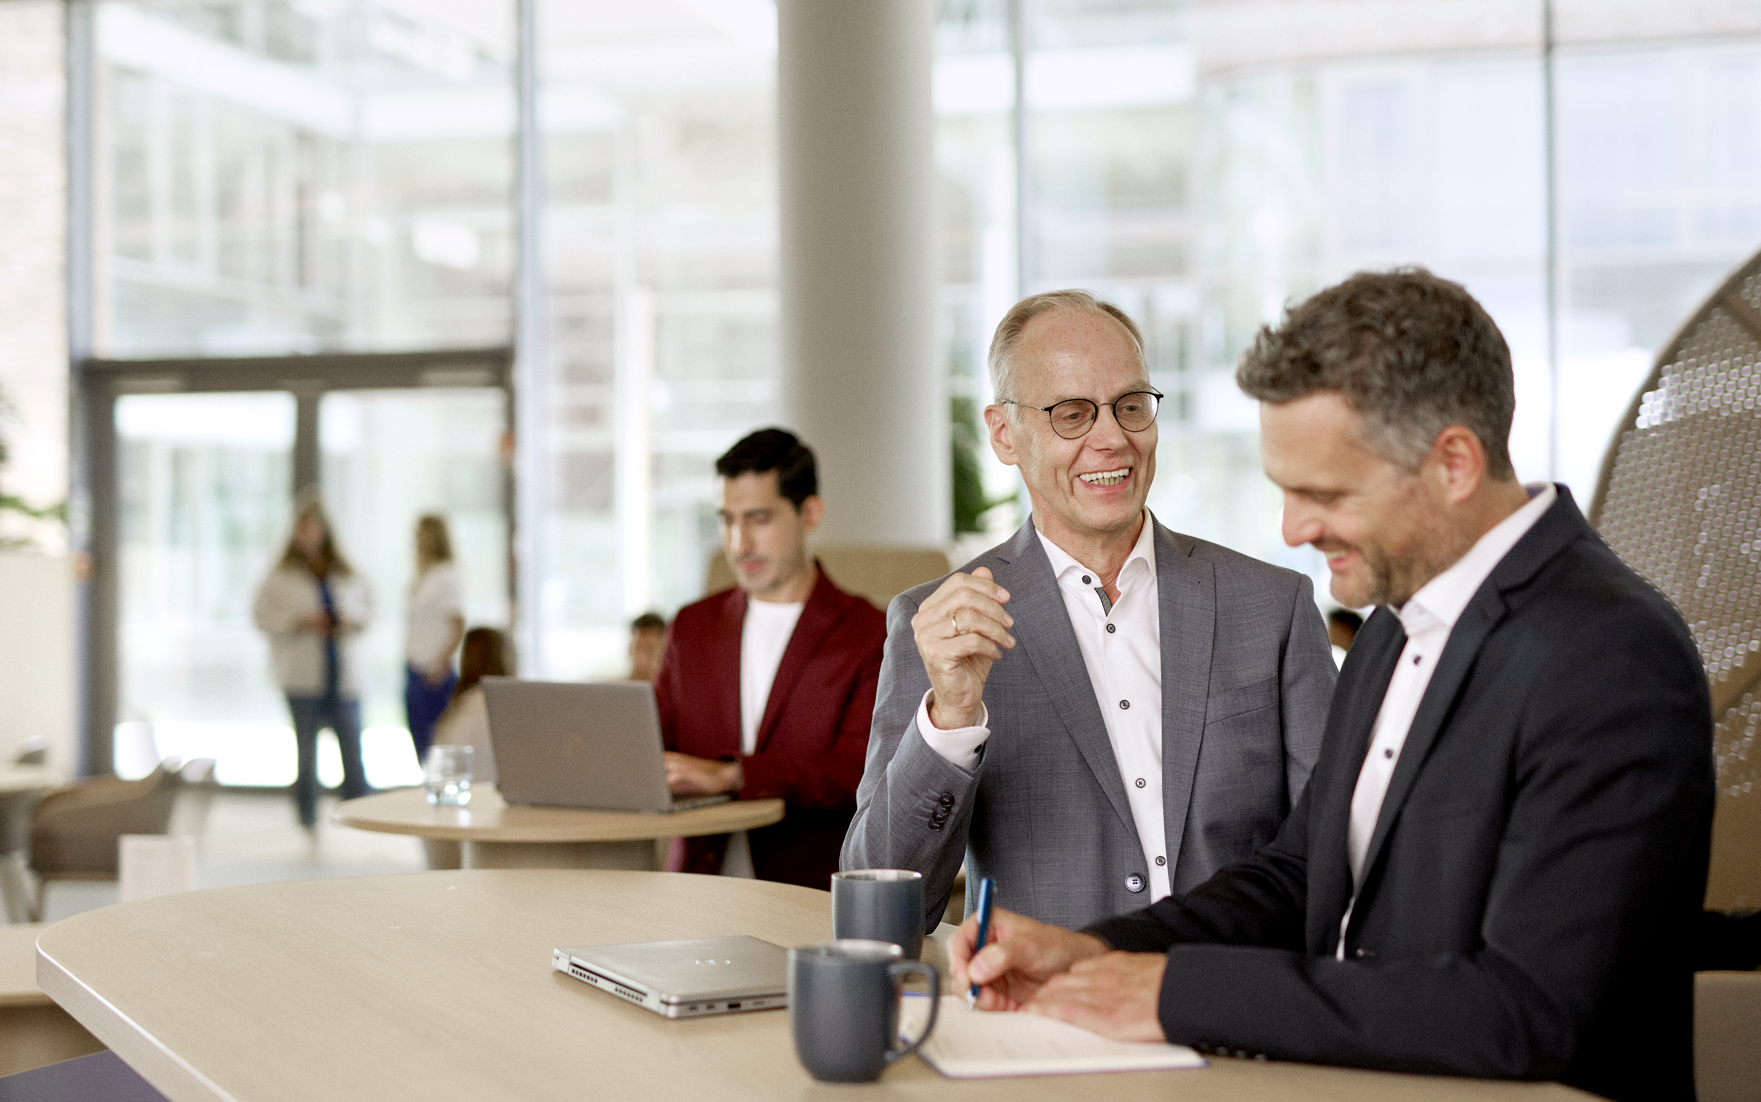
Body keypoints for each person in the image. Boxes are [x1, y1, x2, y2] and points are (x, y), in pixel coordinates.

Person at [953, 270, 1715, 1102]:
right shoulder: (1393, 622)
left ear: (1453, 462)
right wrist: (1098, 950)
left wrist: (1173, 993)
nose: (1294, 529)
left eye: (1324, 493)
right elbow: (1300, 874)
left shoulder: (1612, 653)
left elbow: (1530, 1010)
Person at [843, 290, 1336, 928]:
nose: (1112, 439)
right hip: (1046, 991)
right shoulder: (942, 627)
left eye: (1131, 406)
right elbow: (882, 910)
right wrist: (951, 719)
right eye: (1072, 414)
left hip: (1232, 985)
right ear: (1004, 434)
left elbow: (1336, 851)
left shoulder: (1273, 606)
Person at [653, 427, 886, 890]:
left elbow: (859, 772)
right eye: (727, 520)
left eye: (758, 519)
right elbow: (653, 742)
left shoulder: (868, 633)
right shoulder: (692, 626)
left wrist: (733, 775)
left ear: (810, 514)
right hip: (695, 890)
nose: (739, 543)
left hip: (807, 895)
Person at [252, 494, 375, 829]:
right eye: (300, 528)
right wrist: (300, 622)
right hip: (302, 675)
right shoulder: (279, 575)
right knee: (306, 753)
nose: (304, 535)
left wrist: (348, 621)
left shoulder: (346, 570)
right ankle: (306, 818)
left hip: (341, 673)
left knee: (352, 749)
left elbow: (369, 607)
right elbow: (261, 616)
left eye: (310, 528)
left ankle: (361, 813)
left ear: (324, 530)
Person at [402, 514, 465, 762]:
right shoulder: (423, 575)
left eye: (421, 534)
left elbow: (457, 625)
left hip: (434, 672)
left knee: (438, 744)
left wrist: (440, 664)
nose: (417, 540)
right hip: (415, 667)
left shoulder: (446, 576)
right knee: (421, 744)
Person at [432, 627, 511, 787]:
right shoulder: (504, 707)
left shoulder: (457, 709)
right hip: (489, 794)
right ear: (503, 656)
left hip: (454, 793)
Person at [627, 612, 666, 682]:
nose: (641, 660)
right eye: (637, 649)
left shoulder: (676, 687)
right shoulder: (613, 686)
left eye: (650, 651)